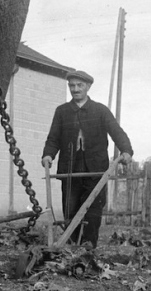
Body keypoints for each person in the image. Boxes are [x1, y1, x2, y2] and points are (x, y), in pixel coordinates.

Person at [41, 69, 133, 248]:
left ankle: (88, 248)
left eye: (79, 85)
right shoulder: (62, 112)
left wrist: (126, 150)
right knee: (70, 209)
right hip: (70, 170)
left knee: (92, 211)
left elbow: (117, 132)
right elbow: (53, 137)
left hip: (95, 170)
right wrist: (48, 154)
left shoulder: (100, 111)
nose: (75, 89)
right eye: (72, 85)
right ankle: (71, 247)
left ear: (88, 87)